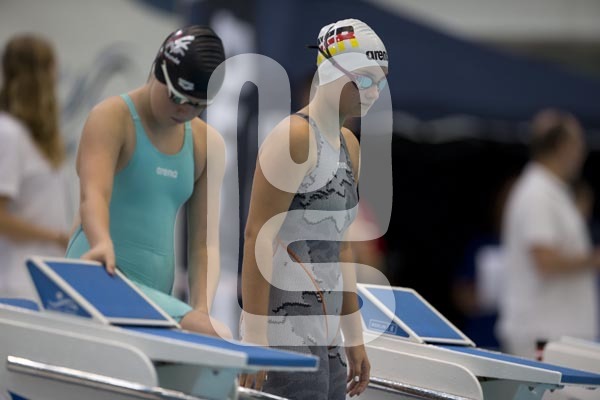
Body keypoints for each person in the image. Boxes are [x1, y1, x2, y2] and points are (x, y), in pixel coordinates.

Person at [240, 19, 388, 399]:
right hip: (283, 332)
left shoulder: (349, 145)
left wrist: (354, 335)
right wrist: (254, 337)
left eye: (381, 82)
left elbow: (341, 247)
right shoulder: (294, 137)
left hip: (328, 337)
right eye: (365, 80)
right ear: (332, 72)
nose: (374, 92)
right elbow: (258, 236)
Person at [65, 26, 229, 337]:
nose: (184, 111)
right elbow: (93, 195)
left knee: (207, 328)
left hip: (155, 295)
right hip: (101, 273)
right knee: (217, 334)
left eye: (197, 105)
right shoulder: (112, 117)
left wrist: (202, 306)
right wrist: (101, 242)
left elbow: (204, 243)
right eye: (177, 97)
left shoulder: (207, 144)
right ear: (158, 68)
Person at [497, 109, 600, 358]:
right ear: (562, 147)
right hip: (545, 335)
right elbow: (544, 259)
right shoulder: (537, 193)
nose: (582, 153)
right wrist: (593, 259)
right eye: (578, 144)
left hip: (554, 334)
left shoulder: (550, 191)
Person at [0, 34, 70, 299]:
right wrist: (56, 236)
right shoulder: (8, 133)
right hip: (13, 284)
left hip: (40, 281)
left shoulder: (35, 138)